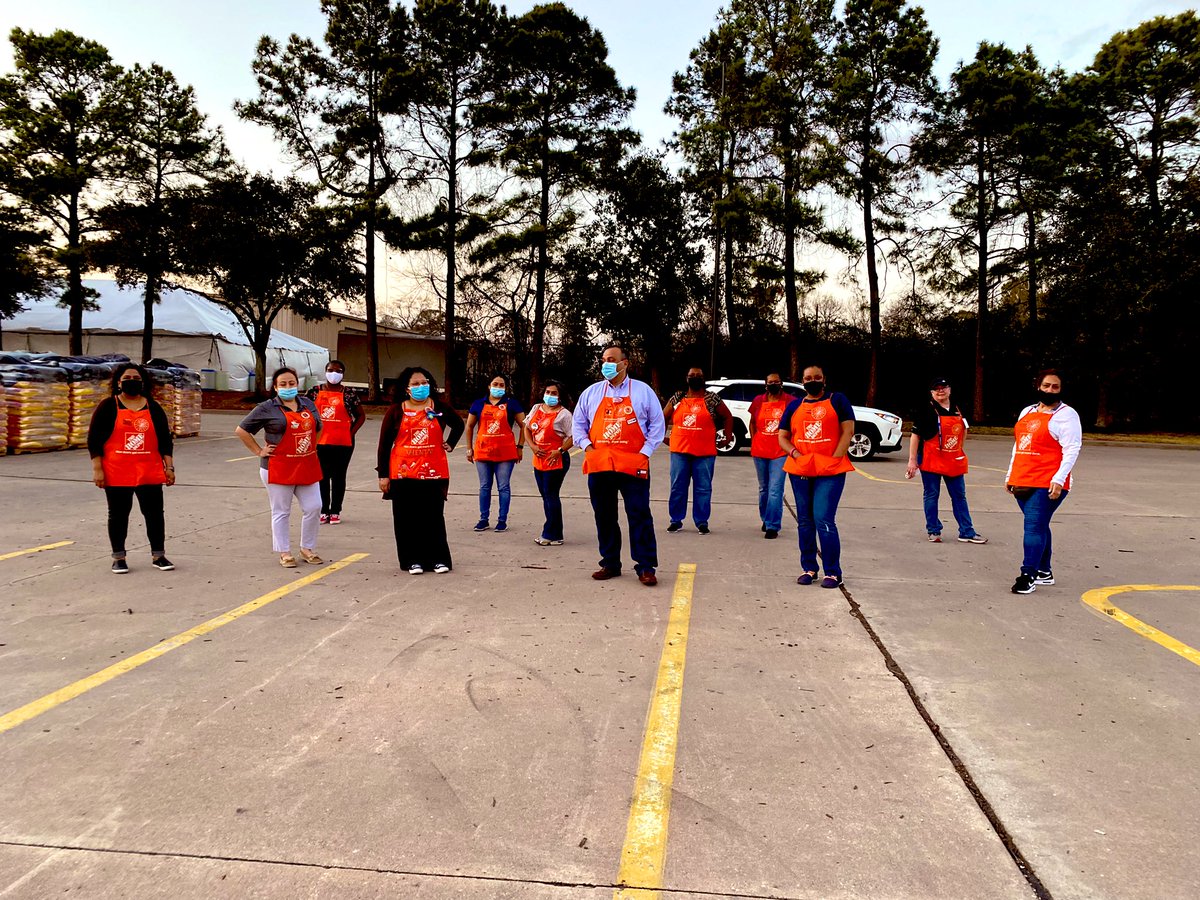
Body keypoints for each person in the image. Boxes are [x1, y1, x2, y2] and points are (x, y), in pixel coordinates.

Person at [572, 345, 665, 586]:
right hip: (600, 464)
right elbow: (578, 424)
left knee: (639, 514)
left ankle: (645, 566)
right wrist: (588, 448)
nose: (606, 364)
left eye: (611, 359)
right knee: (604, 515)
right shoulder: (591, 393)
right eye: (603, 360)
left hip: (633, 465)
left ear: (625, 363)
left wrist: (645, 452)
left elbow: (657, 425)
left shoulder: (643, 392)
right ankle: (610, 562)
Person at [88, 363, 176, 574]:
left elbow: (165, 439)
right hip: (117, 471)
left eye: (136, 378)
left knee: (154, 514)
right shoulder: (108, 406)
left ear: (143, 382)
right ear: (118, 382)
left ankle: (159, 555)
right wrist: (97, 469)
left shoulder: (153, 407)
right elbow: (94, 440)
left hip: (149, 471)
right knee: (118, 515)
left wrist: (169, 467)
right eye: (127, 378)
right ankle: (119, 557)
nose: (132, 381)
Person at [376, 367, 464, 574]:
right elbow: (384, 444)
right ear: (406, 388)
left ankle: (438, 559)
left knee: (433, 517)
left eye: (424, 382)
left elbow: (458, 424)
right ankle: (411, 560)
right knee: (406, 518)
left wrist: (450, 443)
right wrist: (383, 474)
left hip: (433, 471)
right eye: (415, 384)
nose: (421, 387)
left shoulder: (439, 407)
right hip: (403, 472)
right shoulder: (397, 411)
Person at [235, 367, 324, 568]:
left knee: (314, 506)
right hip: (277, 466)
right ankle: (284, 552)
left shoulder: (308, 404)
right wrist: (259, 451)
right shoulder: (267, 408)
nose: (288, 387)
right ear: (275, 387)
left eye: (291, 383)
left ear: (297, 384)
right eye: (282, 384)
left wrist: (312, 446)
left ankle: (307, 548)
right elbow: (242, 430)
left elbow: (319, 426)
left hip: (306, 465)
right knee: (281, 511)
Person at [777, 365, 855, 588]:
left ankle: (833, 572)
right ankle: (809, 568)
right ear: (802, 381)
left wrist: (835, 458)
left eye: (817, 377)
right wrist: (796, 454)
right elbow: (783, 437)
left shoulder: (838, 400)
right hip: (801, 469)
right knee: (804, 521)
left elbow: (848, 431)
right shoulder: (794, 406)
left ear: (824, 380)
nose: (813, 381)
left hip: (830, 470)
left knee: (823, 518)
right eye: (808, 378)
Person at [1005, 369, 1082, 595]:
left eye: (1055, 387)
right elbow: (1018, 446)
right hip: (1023, 479)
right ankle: (1044, 572)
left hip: (1048, 481)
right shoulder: (1027, 411)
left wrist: (1059, 479)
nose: (1050, 390)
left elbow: (1072, 449)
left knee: (1033, 526)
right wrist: (1009, 474)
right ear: (1038, 386)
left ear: (1061, 389)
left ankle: (1027, 575)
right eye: (1046, 385)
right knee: (1039, 525)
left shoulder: (1067, 415)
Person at [905, 377, 987, 544]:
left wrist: (959, 449)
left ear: (949, 389)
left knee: (959, 496)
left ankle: (967, 531)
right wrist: (912, 460)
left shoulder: (958, 408)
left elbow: (964, 430)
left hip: (953, 459)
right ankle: (933, 530)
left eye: (943, 387)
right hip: (930, 458)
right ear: (931, 392)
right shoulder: (925, 410)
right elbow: (915, 436)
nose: (940, 391)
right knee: (931, 494)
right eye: (937, 389)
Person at [662, 366, 735, 534]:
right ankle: (676, 520)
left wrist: (728, 436)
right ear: (686, 378)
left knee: (703, 488)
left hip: (705, 453)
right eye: (691, 375)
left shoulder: (712, 399)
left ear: (703, 379)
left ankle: (702, 521)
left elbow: (727, 416)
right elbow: (663, 416)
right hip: (680, 451)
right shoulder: (678, 398)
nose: (694, 377)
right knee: (677, 487)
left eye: (698, 375)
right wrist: (663, 436)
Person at [306, 359, 365, 525]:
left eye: (338, 371)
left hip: (343, 443)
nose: (334, 374)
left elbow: (361, 416)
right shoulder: (314, 392)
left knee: (339, 476)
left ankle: (335, 510)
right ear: (325, 371)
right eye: (331, 370)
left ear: (343, 374)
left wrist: (350, 432)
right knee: (322, 476)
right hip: (319, 442)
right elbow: (303, 412)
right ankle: (324, 510)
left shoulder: (349, 393)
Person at [464, 374, 526, 533]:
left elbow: (524, 425)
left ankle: (502, 520)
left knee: (503, 486)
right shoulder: (478, 404)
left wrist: (520, 447)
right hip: (483, 452)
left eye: (502, 385)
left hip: (505, 453)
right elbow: (469, 426)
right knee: (484, 486)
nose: (498, 387)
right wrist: (469, 448)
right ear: (489, 386)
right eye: (495, 384)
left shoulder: (512, 404)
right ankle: (483, 519)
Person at [523, 379, 575, 545]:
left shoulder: (564, 415)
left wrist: (560, 451)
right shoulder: (536, 408)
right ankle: (554, 532)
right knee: (545, 495)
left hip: (556, 460)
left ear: (560, 396)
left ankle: (551, 534)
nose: (550, 396)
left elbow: (574, 436)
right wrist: (532, 446)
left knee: (551, 495)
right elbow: (527, 427)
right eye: (548, 392)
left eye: (554, 393)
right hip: (539, 458)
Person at [748, 373, 797, 539]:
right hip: (760, 451)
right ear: (765, 384)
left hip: (780, 452)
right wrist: (754, 440)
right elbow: (752, 422)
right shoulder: (758, 401)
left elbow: (795, 423)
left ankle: (772, 525)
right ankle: (765, 518)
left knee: (775, 489)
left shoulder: (790, 401)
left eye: (776, 382)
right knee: (764, 488)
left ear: (781, 383)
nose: (773, 384)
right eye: (770, 382)